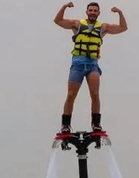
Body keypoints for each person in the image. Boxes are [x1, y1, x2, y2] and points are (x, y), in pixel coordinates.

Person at [54, 2, 128, 134]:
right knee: (71, 95)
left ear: (98, 13)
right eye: (91, 10)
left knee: (94, 94)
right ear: (87, 12)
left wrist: (120, 13)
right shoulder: (77, 24)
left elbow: (123, 27)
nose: (93, 12)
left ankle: (96, 123)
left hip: (92, 64)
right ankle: (65, 125)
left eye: (95, 11)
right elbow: (58, 21)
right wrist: (64, 7)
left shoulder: (103, 27)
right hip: (77, 63)